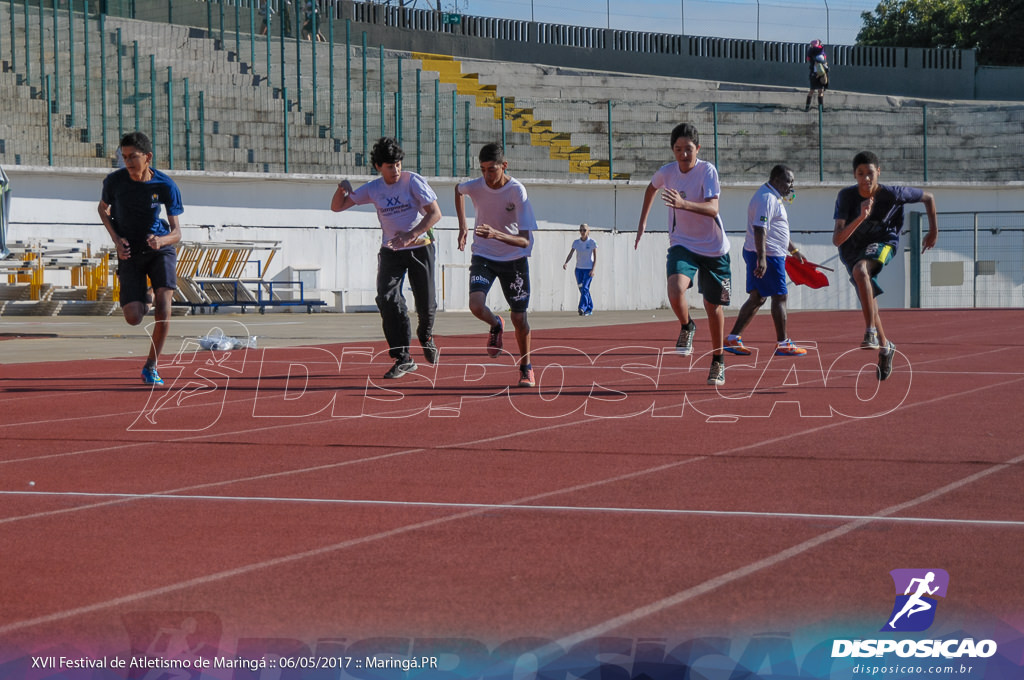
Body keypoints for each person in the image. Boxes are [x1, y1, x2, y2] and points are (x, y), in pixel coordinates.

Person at [330, 136, 441, 379]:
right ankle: (403, 357)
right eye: (390, 166)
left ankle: (426, 335)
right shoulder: (373, 188)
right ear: (379, 166)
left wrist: (410, 235)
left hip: (421, 246)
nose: (396, 170)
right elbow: (337, 207)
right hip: (391, 250)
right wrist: (341, 189)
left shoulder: (413, 181)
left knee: (426, 303)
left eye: (399, 164)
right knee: (387, 298)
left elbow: (435, 214)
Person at [635, 122, 731, 386]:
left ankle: (718, 361)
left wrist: (682, 203)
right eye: (677, 149)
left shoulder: (707, 171)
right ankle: (687, 326)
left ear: (697, 148)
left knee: (714, 307)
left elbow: (713, 209)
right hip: (683, 243)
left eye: (688, 149)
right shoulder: (668, 172)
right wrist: (643, 221)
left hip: (713, 248)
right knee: (675, 289)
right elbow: (651, 188)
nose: (683, 155)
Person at [833, 150, 938, 381]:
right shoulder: (846, 197)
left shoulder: (894, 194)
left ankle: (870, 333)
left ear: (878, 172)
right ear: (854, 175)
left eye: (870, 173)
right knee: (868, 297)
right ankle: (886, 346)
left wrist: (933, 231)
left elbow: (928, 198)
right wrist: (860, 217)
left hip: (882, 243)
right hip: (851, 249)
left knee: (862, 270)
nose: (866, 179)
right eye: (860, 174)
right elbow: (837, 239)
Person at [97, 131, 184, 386]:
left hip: (159, 249)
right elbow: (103, 210)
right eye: (124, 157)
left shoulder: (166, 185)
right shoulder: (114, 182)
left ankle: (151, 365)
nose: (128, 163)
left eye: (132, 157)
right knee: (133, 317)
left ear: (147, 157)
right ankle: (146, 291)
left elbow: (177, 232)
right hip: (130, 252)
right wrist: (116, 239)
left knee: (164, 306)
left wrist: (162, 241)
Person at [455, 142, 539, 388]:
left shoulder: (517, 191)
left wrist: (497, 234)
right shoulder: (477, 185)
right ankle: (495, 324)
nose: (486, 176)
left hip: (514, 259)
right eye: (482, 169)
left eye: (491, 169)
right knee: (475, 305)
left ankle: (526, 367)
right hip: (484, 255)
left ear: (504, 166)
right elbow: (458, 190)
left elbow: (525, 239)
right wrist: (463, 226)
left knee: (519, 318)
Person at [725, 164, 808, 357]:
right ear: (776, 180)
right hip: (767, 255)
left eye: (792, 181)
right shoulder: (766, 199)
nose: (791, 185)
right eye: (788, 181)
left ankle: (733, 338)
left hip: (767, 253)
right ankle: (783, 343)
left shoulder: (773, 197)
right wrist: (762, 259)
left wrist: (793, 250)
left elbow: (777, 228)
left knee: (758, 297)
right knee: (780, 296)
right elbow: (760, 229)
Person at [562, 223, 597, 316]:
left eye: (584, 230)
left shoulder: (592, 242)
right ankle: (589, 307)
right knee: (583, 289)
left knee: (585, 288)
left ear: (588, 231)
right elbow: (571, 253)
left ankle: (582, 307)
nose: (582, 232)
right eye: (580, 230)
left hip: (588, 269)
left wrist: (593, 269)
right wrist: (566, 262)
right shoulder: (576, 242)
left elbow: (596, 257)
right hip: (578, 270)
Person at [805, 39, 829, 111]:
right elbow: (825, 62)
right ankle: (819, 108)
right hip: (819, 74)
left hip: (815, 74)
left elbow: (808, 59)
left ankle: (808, 107)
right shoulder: (820, 54)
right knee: (818, 91)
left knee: (815, 90)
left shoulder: (811, 52)